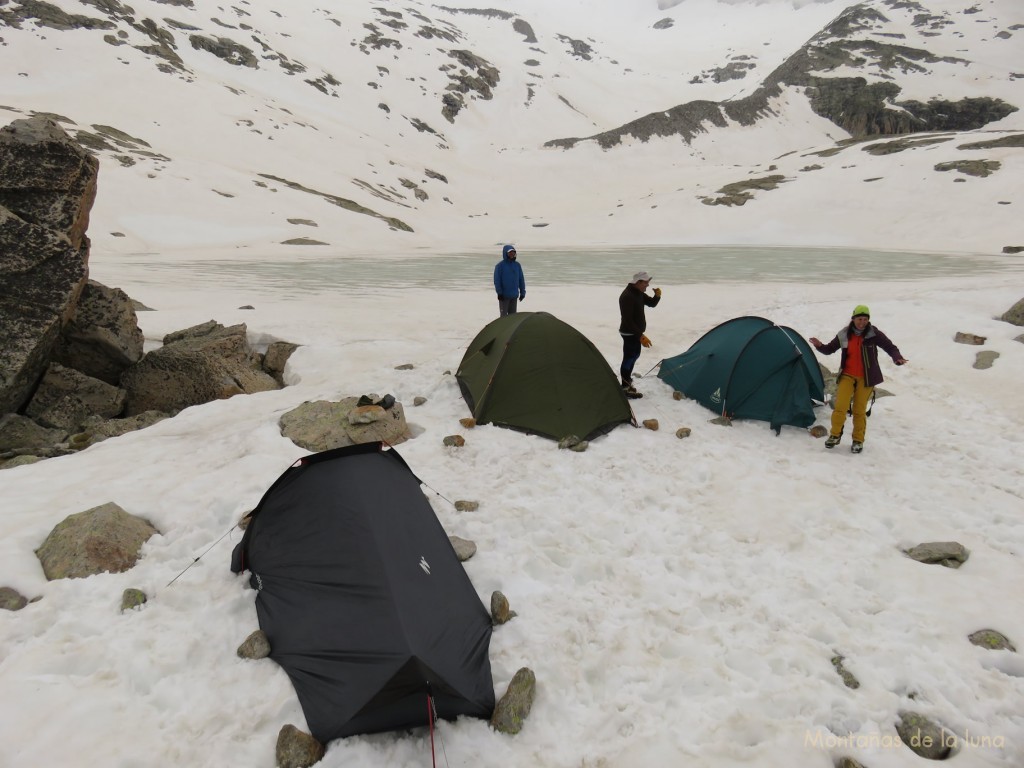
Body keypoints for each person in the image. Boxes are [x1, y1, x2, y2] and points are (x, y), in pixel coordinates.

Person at [810, 304, 907, 454]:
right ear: (853, 319)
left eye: (865, 319)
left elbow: (890, 347)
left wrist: (897, 358)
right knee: (840, 407)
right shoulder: (844, 334)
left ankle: (858, 440)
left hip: (866, 378)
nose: (862, 322)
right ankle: (835, 435)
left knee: (859, 410)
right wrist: (819, 345)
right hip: (847, 375)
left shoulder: (873, 334)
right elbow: (829, 349)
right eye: (859, 319)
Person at [618, 271, 661, 399]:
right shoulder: (627, 296)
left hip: (635, 333)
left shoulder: (638, 293)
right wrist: (640, 336)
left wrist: (657, 296)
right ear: (638, 282)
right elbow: (627, 320)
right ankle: (625, 387)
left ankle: (627, 381)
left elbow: (651, 304)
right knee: (629, 358)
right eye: (646, 282)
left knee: (634, 356)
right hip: (629, 332)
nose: (647, 285)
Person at [494, 244, 525, 317]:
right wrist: (499, 293)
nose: (512, 254)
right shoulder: (500, 266)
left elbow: (521, 279)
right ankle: (502, 328)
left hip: (514, 295)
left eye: (513, 253)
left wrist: (522, 292)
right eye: (510, 253)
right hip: (504, 296)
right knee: (503, 317)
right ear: (506, 253)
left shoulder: (517, 265)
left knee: (513, 318)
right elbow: (497, 281)